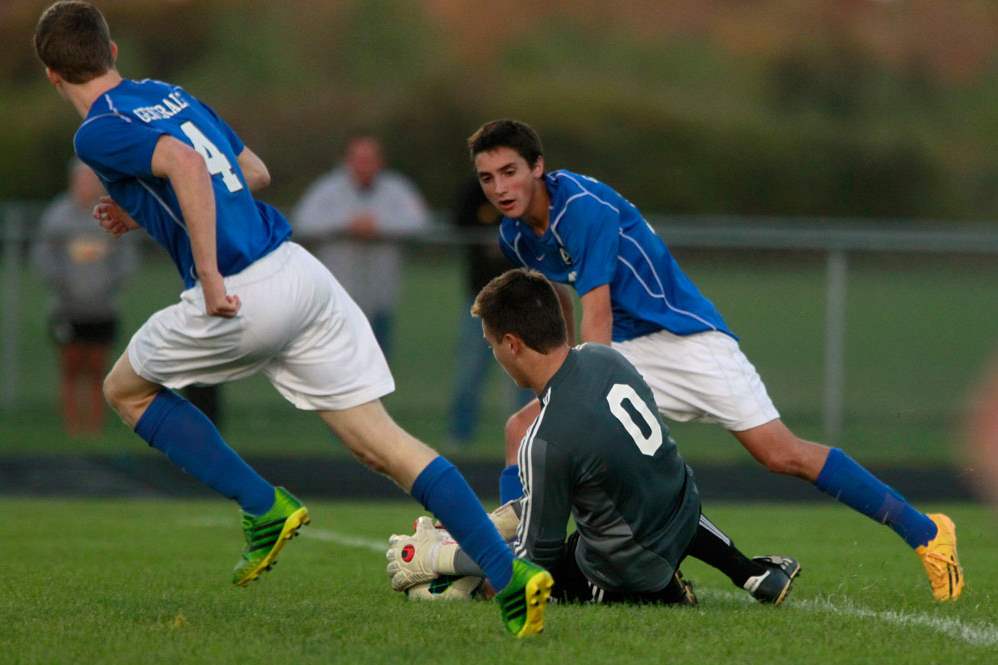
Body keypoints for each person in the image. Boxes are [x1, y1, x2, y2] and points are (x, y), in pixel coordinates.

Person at [33, 2, 550, 638]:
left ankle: (262, 507)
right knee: (382, 445)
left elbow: (189, 168)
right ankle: (511, 578)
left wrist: (210, 274)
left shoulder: (96, 130)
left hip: (242, 290)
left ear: (53, 76)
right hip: (301, 274)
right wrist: (147, 211)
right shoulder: (167, 93)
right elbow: (251, 172)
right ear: (112, 52)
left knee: (125, 390)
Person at [467, 118, 964, 602]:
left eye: (509, 171)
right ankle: (516, 562)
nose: (499, 187)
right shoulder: (515, 236)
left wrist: (574, 387)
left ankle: (926, 533)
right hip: (624, 349)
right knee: (521, 429)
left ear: (538, 167)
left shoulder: (582, 208)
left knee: (780, 453)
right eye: (487, 177)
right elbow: (561, 302)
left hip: (685, 340)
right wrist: (556, 383)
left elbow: (596, 311)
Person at [387, 269, 801, 606]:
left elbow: (535, 562)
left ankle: (666, 595)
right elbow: (591, 471)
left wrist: (439, 556)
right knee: (636, 492)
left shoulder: (546, 439)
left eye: (492, 344)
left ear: (512, 344)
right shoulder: (604, 358)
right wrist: (476, 526)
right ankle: (748, 572)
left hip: (629, 565)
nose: (494, 354)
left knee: (490, 586)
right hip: (681, 508)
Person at [292, 134, 429, 360]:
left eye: (370, 159)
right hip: (337, 295)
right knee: (336, 360)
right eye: (359, 159)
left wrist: (379, 226)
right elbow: (303, 220)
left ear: (380, 161)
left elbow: (419, 222)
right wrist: (346, 224)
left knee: (378, 362)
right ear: (347, 160)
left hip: (381, 294)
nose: (364, 165)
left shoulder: (396, 188)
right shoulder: (328, 188)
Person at [32, 159, 137, 436]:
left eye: (92, 179)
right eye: (82, 179)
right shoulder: (57, 216)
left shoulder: (110, 213)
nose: (87, 185)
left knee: (98, 368)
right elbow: (43, 257)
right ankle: (71, 428)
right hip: (67, 308)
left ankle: (94, 428)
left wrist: (108, 285)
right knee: (70, 367)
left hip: (103, 308)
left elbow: (126, 258)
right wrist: (64, 285)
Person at [447, 176, 530, 446]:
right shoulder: (475, 189)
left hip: (524, 298)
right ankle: (459, 435)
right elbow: (459, 222)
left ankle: (530, 436)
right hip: (481, 299)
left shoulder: (529, 188)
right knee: (471, 368)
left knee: (528, 372)